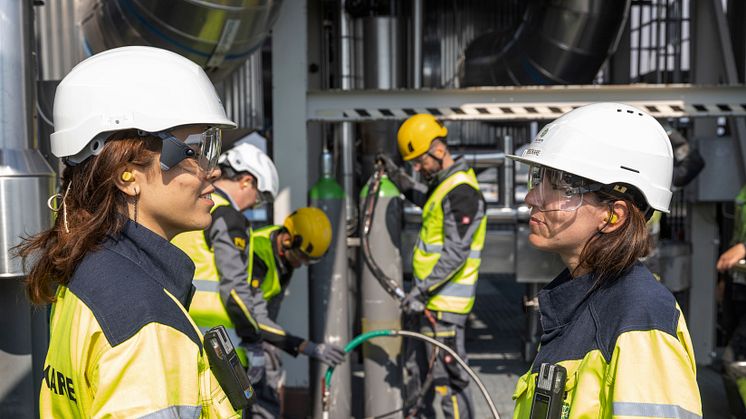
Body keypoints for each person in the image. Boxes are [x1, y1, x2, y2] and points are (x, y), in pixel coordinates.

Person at [18, 46, 242, 417]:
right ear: (127, 174)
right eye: (196, 150)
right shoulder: (145, 318)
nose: (213, 169)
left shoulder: (86, 275)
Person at [507, 103, 701, 417]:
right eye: (537, 179)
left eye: (558, 185)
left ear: (613, 215)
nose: (532, 198)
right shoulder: (583, 303)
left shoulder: (639, 321)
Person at [379, 113, 487, 419]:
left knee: (448, 383)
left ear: (438, 150)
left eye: (418, 160)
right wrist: (396, 178)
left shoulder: (462, 191)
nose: (416, 167)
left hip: (444, 307)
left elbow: (455, 254)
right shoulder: (445, 186)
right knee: (426, 375)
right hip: (434, 303)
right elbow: (426, 200)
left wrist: (421, 293)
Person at [171, 141, 279, 375]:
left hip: (177, 337)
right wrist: (253, 341)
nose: (253, 205)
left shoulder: (186, 205)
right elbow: (235, 289)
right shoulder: (228, 216)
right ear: (246, 181)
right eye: (257, 198)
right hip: (221, 347)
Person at [246, 207, 345, 418]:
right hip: (243, 333)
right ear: (288, 240)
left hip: (262, 332)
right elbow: (253, 318)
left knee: (267, 388)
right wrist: (304, 346)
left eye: (308, 261)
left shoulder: (284, 252)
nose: (301, 264)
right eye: (301, 257)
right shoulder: (257, 253)